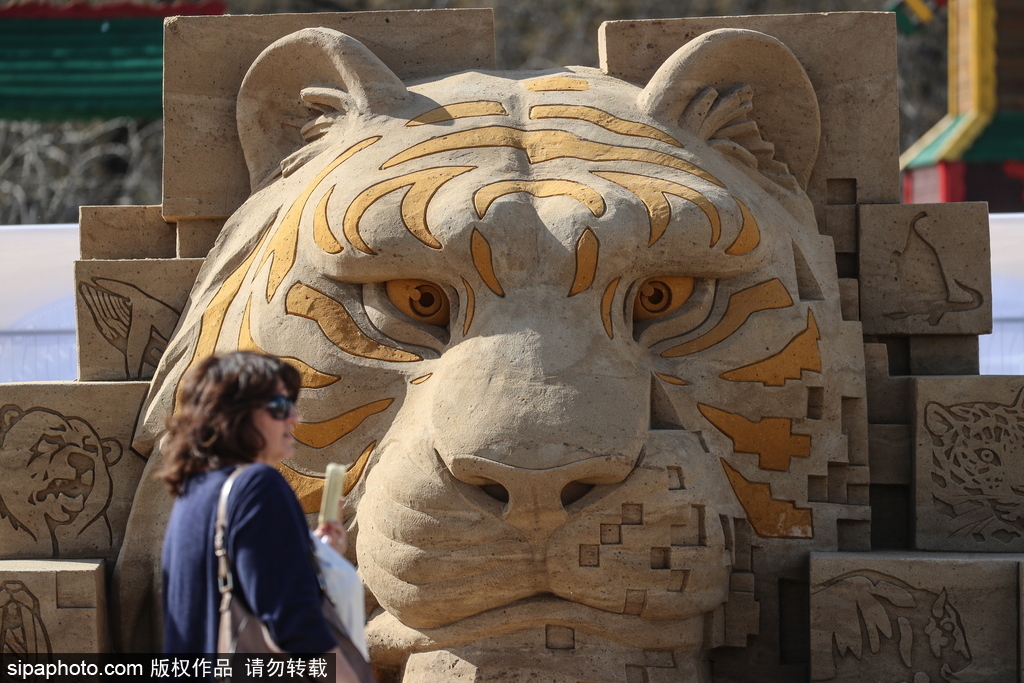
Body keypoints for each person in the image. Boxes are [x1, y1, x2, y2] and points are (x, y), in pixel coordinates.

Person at [159, 351, 359, 682]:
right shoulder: (258, 484)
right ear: (236, 415)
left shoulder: (193, 492)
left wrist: (316, 557)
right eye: (280, 406)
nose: (294, 417)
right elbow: (295, 622)